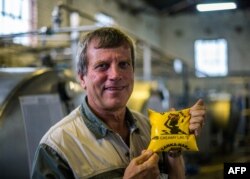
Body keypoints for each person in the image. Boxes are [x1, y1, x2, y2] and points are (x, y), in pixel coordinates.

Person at [31, 27, 206, 179]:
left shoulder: (150, 128)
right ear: (82, 78)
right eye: (102, 66)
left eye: (123, 64)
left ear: (133, 72)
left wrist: (173, 150)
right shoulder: (57, 147)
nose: (115, 75)